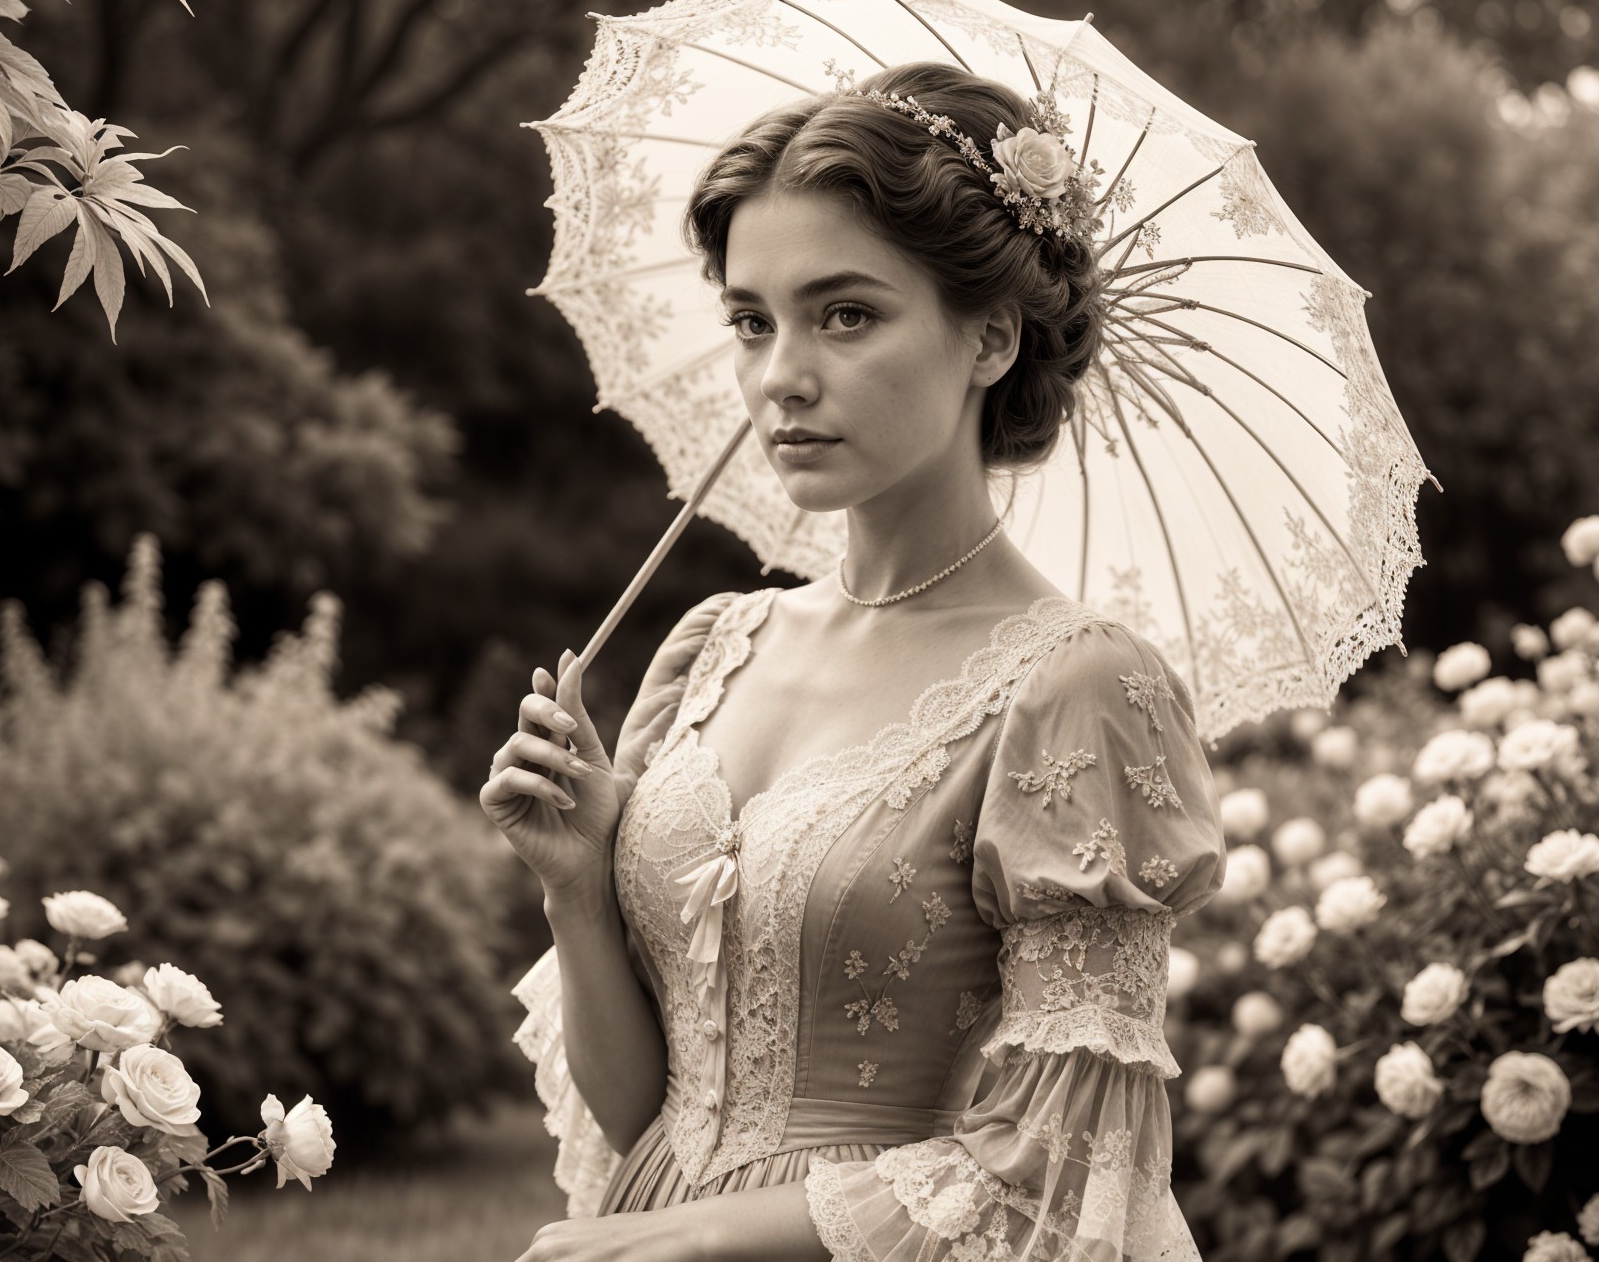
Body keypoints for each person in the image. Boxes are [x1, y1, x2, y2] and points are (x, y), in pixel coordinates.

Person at [481, 61, 1226, 1262]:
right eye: (751, 319)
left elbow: (1058, 1163)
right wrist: (577, 883)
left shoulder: (1076, 689)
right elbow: (646, 1114)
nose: (782, 377)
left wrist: (706, 1242)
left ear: (989, 336)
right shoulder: (711, 646)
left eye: (846, 314)